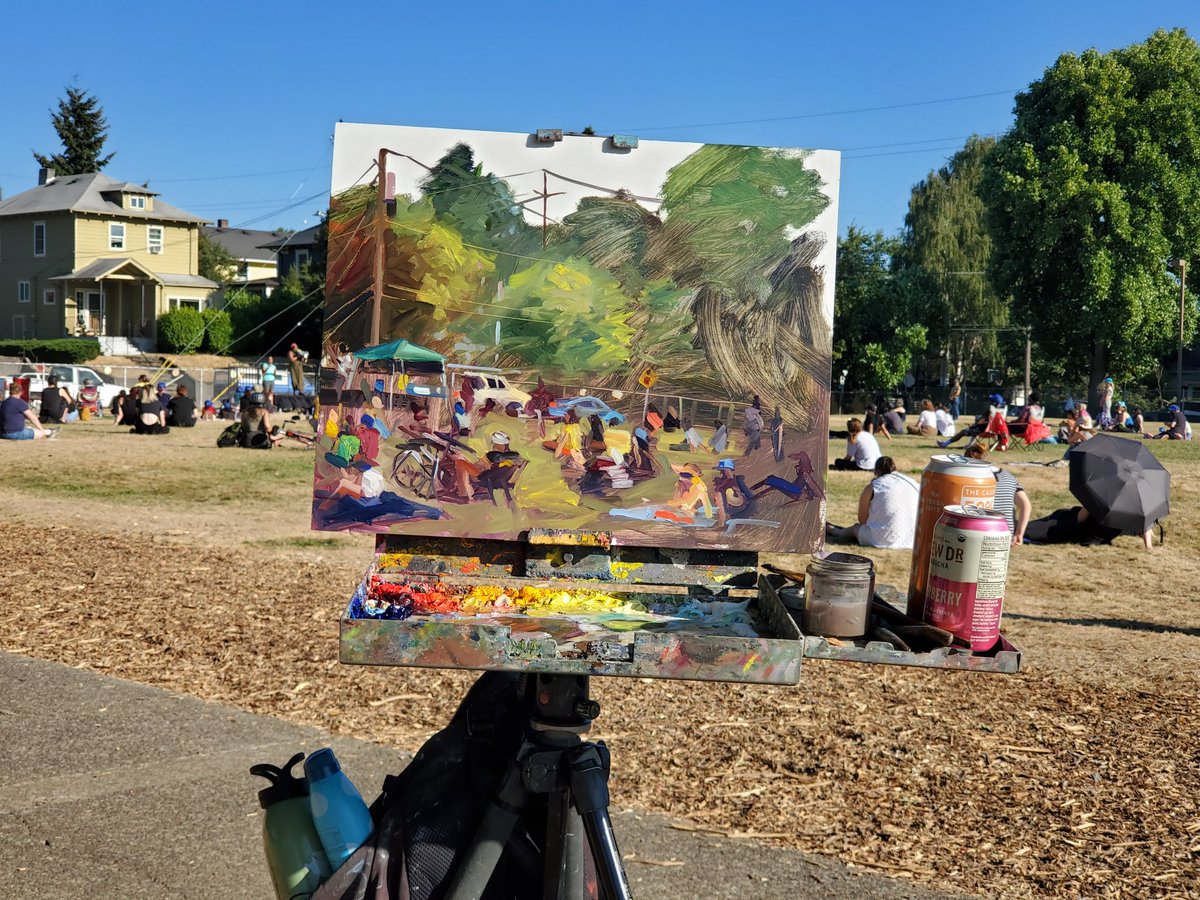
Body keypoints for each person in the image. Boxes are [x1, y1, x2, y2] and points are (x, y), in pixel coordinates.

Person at [825, 456, 920, 549]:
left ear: (876, 472)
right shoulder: (913, 483)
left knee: (855, 529)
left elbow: (862, 520)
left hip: (883, 538)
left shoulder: (874, 486)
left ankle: (835, 531)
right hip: (912, 538)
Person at [964, 445, 1031, 546]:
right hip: (1005, 536)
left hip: (976, 535)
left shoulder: (968, 477)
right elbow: (1026, 505)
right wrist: (1019, 534)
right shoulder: (1008, 476)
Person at [711, 458, 756, 526]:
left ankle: (721, 524)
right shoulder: (726, 482)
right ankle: (721, 524)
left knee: (719, 498)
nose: (721, 473)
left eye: (722, 470)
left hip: (739, 508)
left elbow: (749, 495)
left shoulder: (734, 481)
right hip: (734, 508)